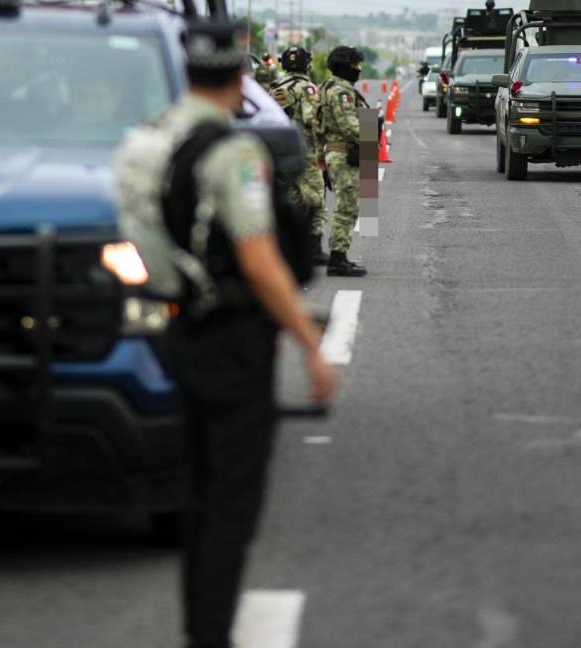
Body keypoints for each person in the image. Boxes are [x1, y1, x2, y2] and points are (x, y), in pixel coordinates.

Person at [113, 20, 336, 648]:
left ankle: (199, 628)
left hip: (173, 327)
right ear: (241, 78)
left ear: (184, 72)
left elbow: (137, 238)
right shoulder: (234, 152)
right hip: (233, 340)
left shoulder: (143, 140)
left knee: (198, 498)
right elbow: (261, 260)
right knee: (229, 510)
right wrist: (308, 341)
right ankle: (209, 633)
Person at [270, 45, 328, 265]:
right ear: (306, 64)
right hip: (306, 153)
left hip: (281, 153)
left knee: (290, 200)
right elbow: (312, 120)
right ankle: (313, 249)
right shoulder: (308, 88)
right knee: (315, 200)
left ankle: (287, 249)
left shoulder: (276, 87)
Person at [319, 45, 369, 277]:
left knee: (346, 205)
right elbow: (350, 126)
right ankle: (337, 259)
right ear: (345, 67)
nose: (358, 70)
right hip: (343, 153)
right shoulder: (341, 92)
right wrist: (371, 134)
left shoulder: (328, 87)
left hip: (335, 152)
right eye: (355, 66)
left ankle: (340, 257)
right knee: (346, 206)